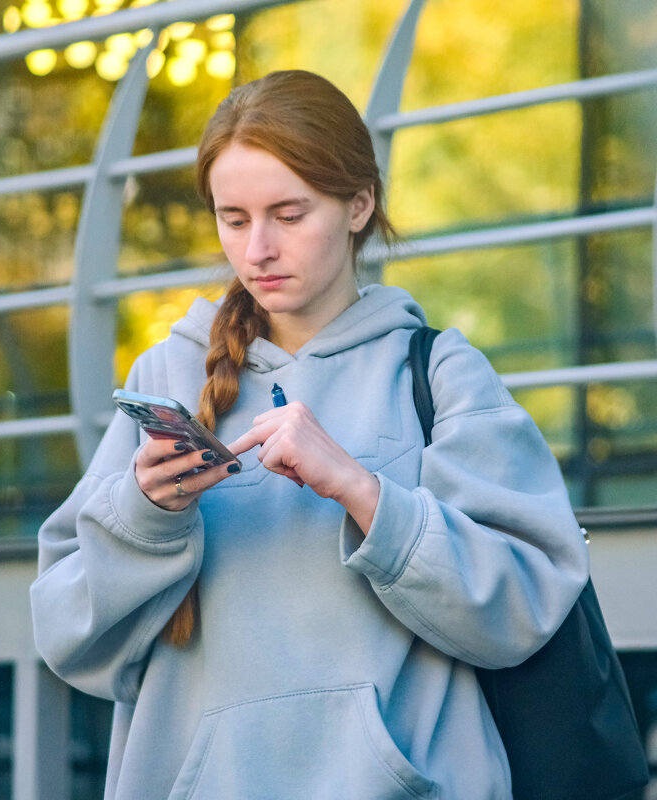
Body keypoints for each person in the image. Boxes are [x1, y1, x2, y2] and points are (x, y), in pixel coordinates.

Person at [31, 70, 589, 799]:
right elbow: (66, 634)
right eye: (234, 219)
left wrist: (363, 492)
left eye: (288, 214)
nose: (258, 247)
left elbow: (525, 604)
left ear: (359, 205)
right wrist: (147, 515)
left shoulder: (439, 370)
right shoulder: (167, 373)